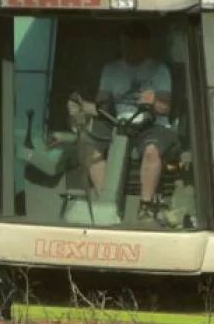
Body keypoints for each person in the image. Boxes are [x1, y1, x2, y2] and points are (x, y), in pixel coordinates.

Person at [70, 21, 180, 221]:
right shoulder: (111, 70)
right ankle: (108, 204)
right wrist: (80, 105)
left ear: (145, 45)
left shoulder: (159, 70)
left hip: (153, 124)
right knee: (89, 150)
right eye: (125, 44)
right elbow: (101, 107)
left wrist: (154, 101)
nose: (128, 49)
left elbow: (165, 108)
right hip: (118, 124)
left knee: (151, 150)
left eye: (133, 44)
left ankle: (145, 206)